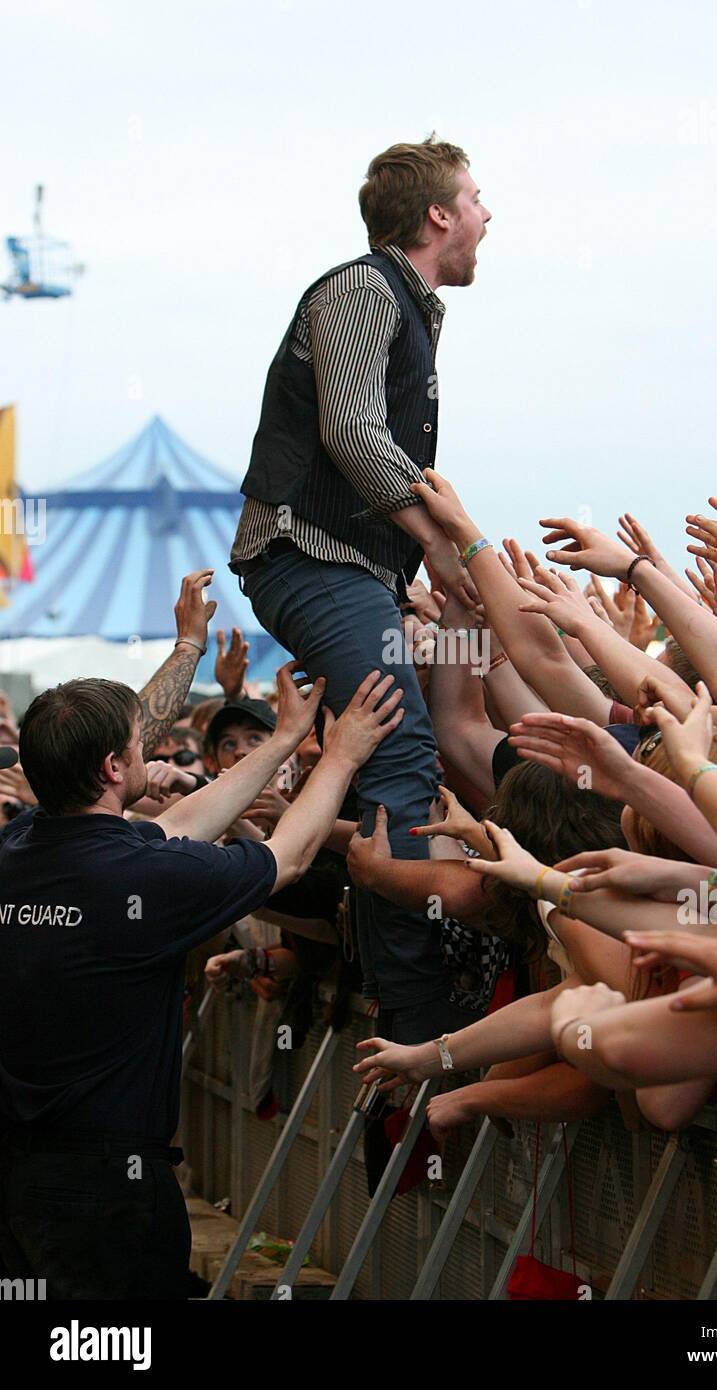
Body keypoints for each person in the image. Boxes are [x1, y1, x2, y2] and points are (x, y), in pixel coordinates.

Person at [0, 664, 401, 1298]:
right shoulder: (140, 876)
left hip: (19, 1174)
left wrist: (278, 742)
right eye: (137, 743)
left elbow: (183, 824)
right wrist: (342, 756)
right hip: (107, 1186)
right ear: (112, 768)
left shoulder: (19, 844)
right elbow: (289, 856)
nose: (145, 751)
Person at [230, 136, 493, 1044]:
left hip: (347, 562)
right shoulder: (358, 288)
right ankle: (416, 1016)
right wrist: (445, 541)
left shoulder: (408, 307)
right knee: (398, 751)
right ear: (438, 215)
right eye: (477, 200)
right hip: (306, 553)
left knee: (398, 745)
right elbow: (349, 429)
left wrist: (423, 566)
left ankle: (395, 995)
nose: (489, 218)